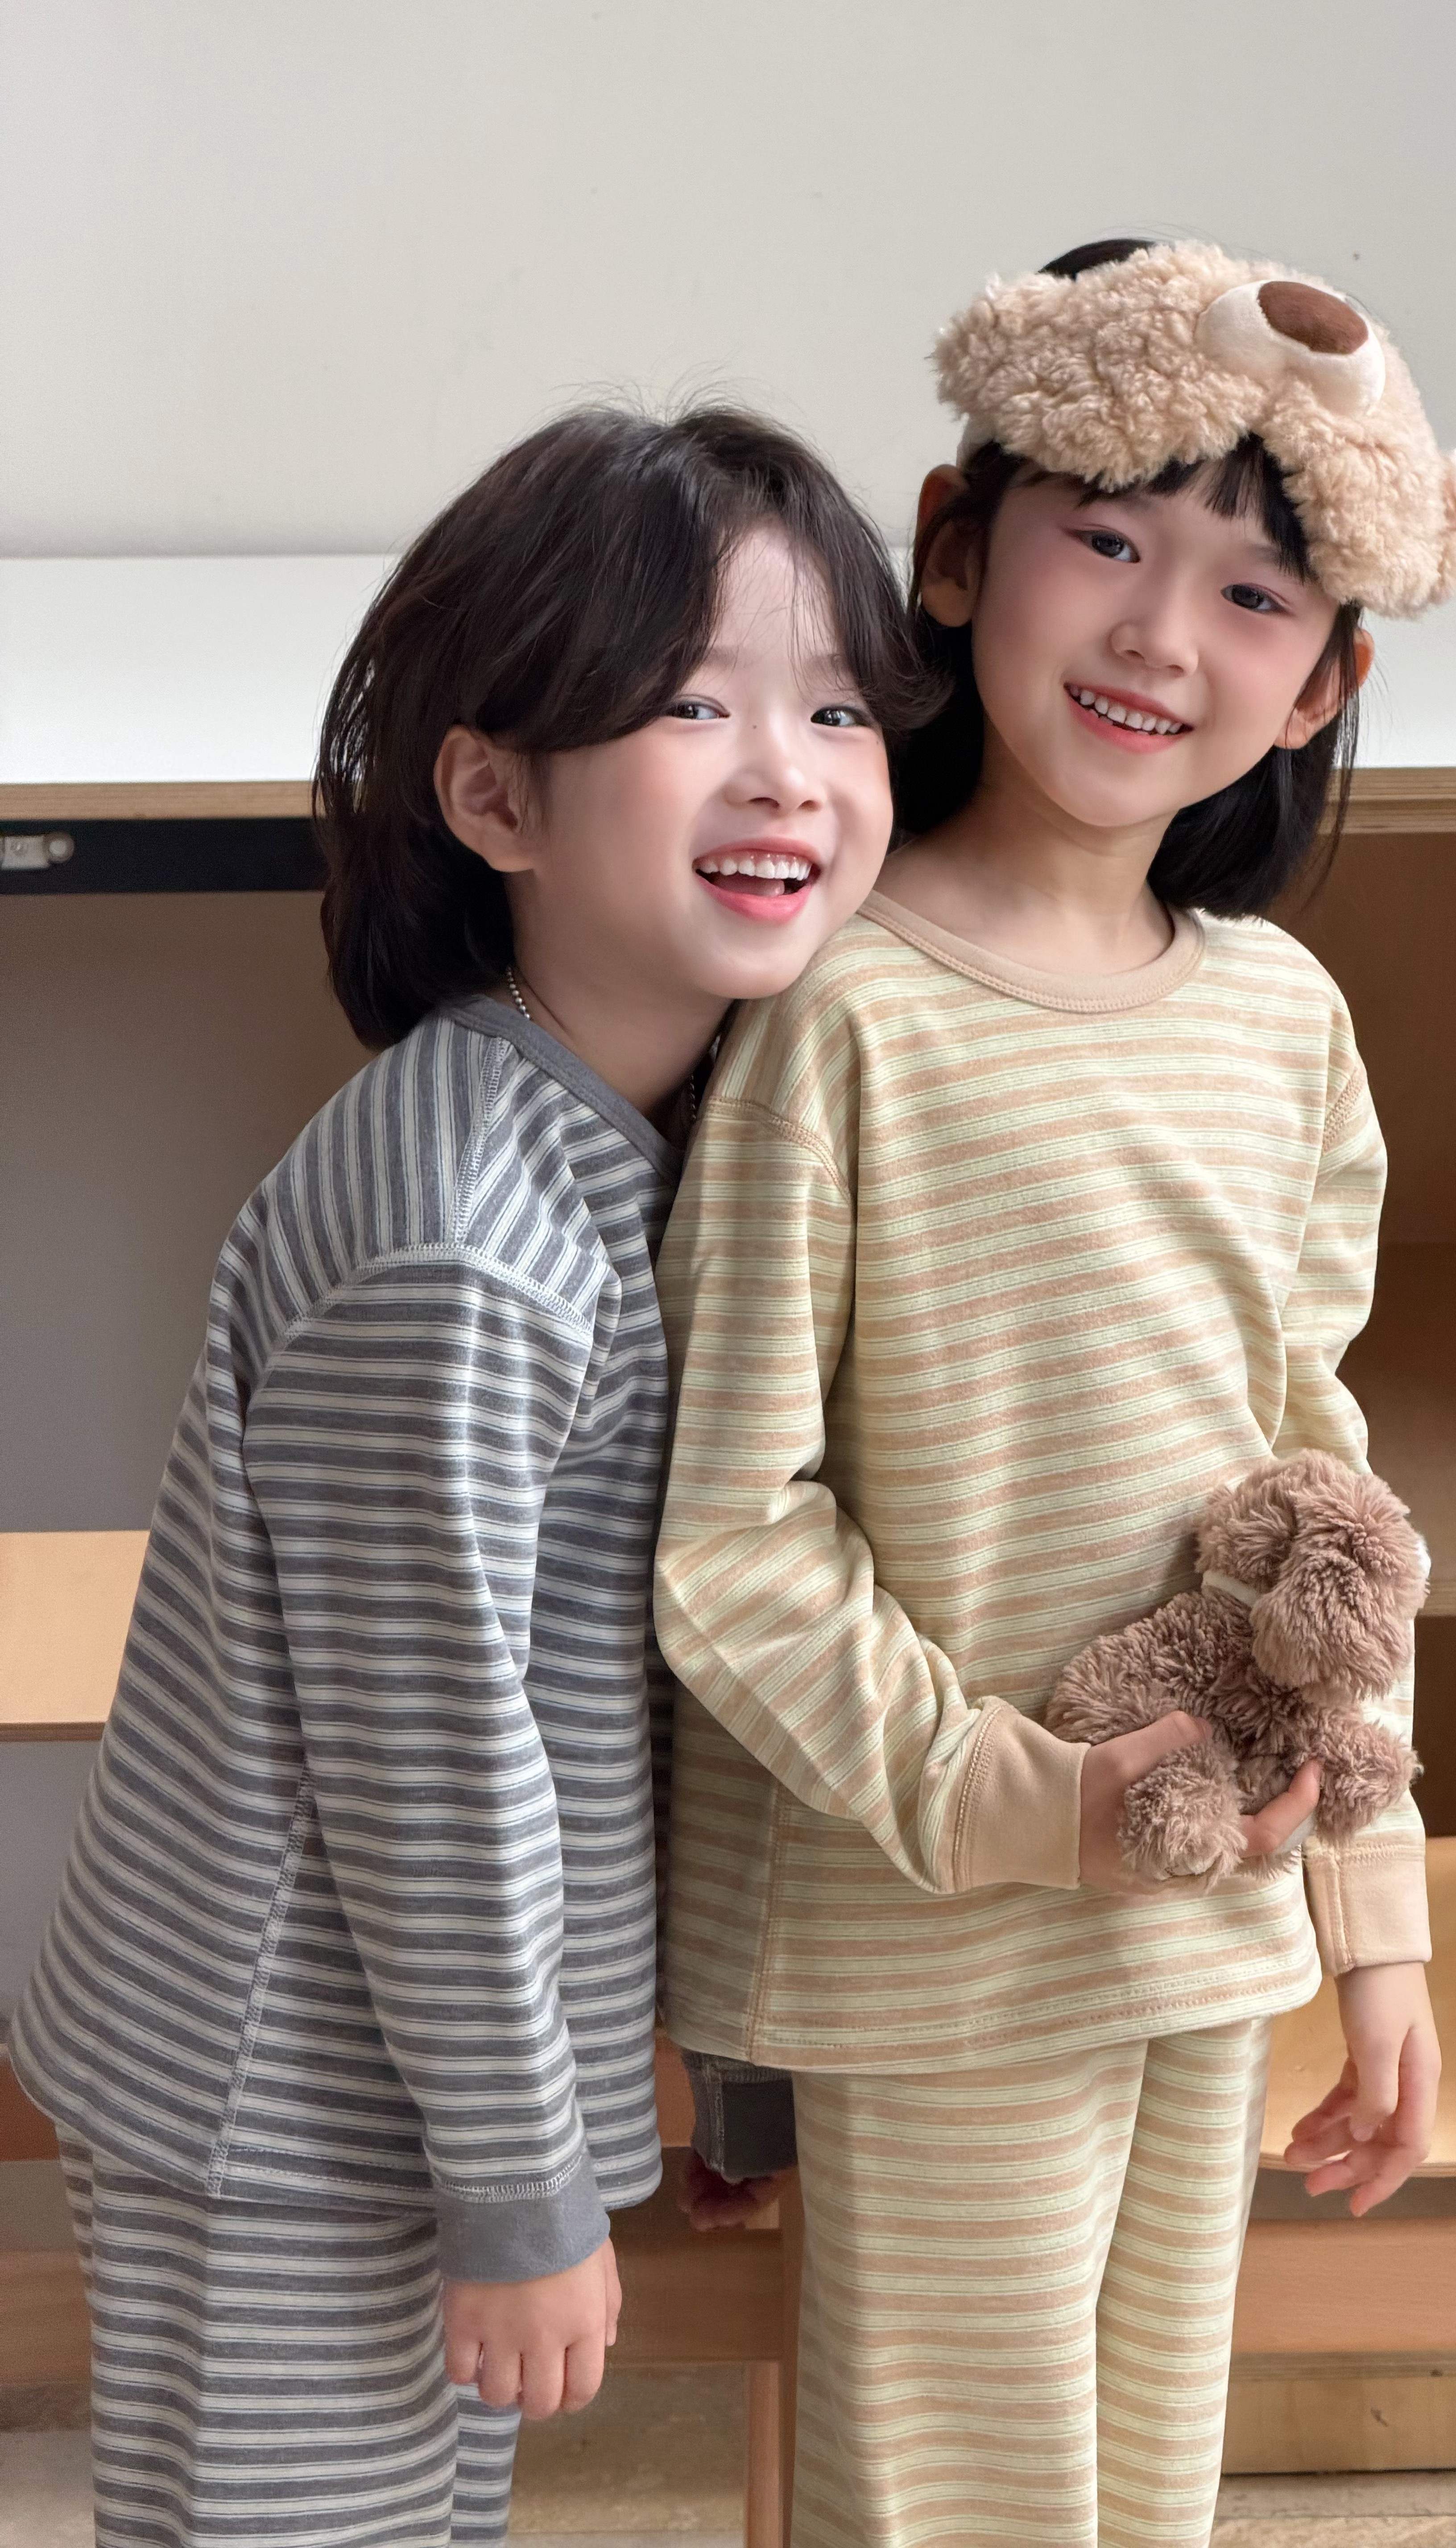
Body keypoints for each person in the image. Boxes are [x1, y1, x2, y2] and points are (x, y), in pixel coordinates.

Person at [7, 401, 932, 2548]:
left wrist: (674, 2078)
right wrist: (525, 2189)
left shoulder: (640, 1148)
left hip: (389, 2089)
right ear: (496, 795)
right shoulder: (465, 1245)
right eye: (692, 705)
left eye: (834, 709)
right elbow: (437, 1759)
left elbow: (636, 1686)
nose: (787, 772)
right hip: (289, 2113)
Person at [652, 239, 1456, 2546]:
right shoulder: (838, 1012)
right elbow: (728, 1535)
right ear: (955, 548)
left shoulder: (1281, 1026)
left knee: (1142, 2495)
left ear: (1321, 684)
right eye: (1107, 540)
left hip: (1207, 1921)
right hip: (937, 1934)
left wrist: (1375, 1916)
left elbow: (1325, 1517)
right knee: (962, 2500)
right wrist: (1022, 1800)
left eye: (1252, 593)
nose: (1157, 635)